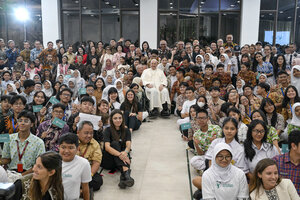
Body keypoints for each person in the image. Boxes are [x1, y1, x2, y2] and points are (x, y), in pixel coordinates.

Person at [0, 111, 45, 176]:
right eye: (20, 121)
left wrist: (22, 176)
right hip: (11, 173)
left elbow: (39, 165)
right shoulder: (10, 138)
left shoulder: (39, 142)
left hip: (30, 174)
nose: (22, 123)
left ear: (32, 124)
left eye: (26, 121)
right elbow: (6, 158)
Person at [101, 109, 134, 189]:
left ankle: (124, 178)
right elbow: (107, 147)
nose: (118, 120)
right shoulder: (107, 130)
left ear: (122, 119)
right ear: (111, 120)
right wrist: (121, 155)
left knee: (125, 156)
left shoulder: (126, 130)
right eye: (115, 118)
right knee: (115, 144)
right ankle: (126, 173)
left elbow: (128, 144)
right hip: (108, 160)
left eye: (120, 118)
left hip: (119, 159)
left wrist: (125, 153)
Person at [59, 133, 91, 200]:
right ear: (59, 147)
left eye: (71, 148)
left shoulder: (83, 163)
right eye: (63, 147)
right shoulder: (52, 161)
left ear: (77, 148)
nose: (66, 151)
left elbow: (85, 187)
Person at [77, 121, 103, 192]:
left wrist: (89, 176)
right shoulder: (71, 141)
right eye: (86, 133)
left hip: (87, 171)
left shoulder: (95, 144)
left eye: (91, 133)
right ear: (78, 132)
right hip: (73, 169)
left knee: (98, 181)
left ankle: (79, 190)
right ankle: (82, 191)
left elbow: (96, 162)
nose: (89, 136)